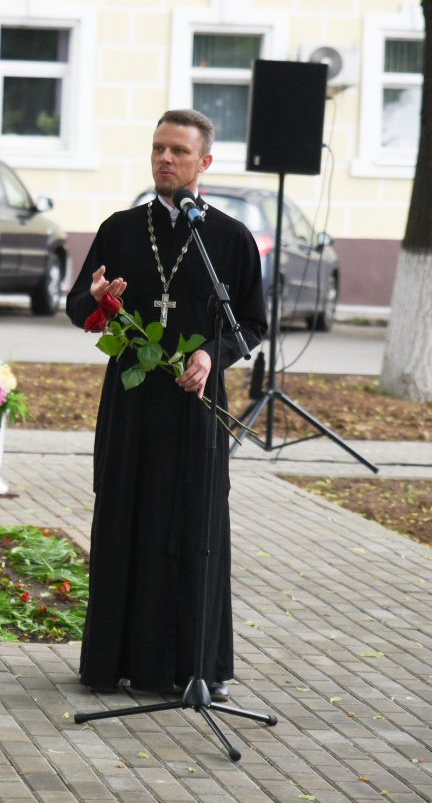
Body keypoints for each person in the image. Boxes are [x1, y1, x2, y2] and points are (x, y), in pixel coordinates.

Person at [64, 109, 267, 700]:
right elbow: (80, 308)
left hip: (195, 406)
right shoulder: (121, 229)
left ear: (204, 162)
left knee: (194, 525)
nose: (164, 159)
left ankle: (197, 667)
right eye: (157, 148)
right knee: (126, 517)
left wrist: (212, 354)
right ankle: (114, 662)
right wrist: (98, 299)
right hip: (132, 406)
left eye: (178, 150)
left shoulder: (228, 239)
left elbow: (251, 322)